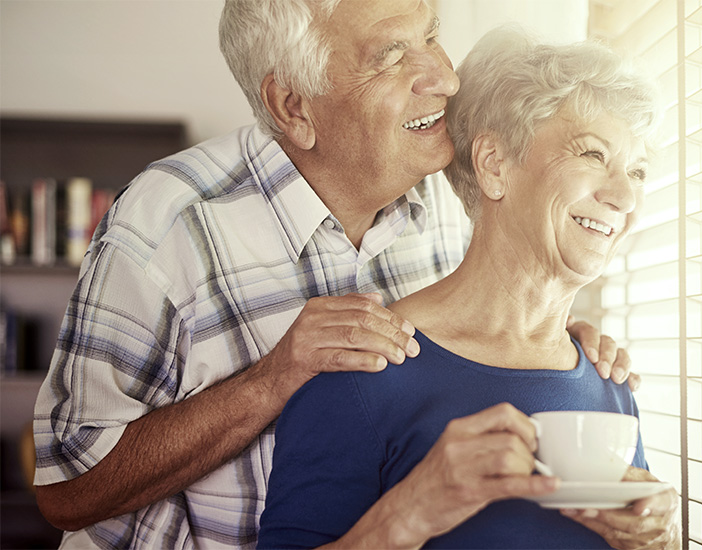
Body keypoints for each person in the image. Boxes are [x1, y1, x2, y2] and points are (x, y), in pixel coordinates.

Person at [31, 0, 635, 548]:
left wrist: (546, 342)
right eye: (392, 55)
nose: (445, 78)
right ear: (292, 105)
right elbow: (66, 490)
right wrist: (272, 379)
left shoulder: (443, 207)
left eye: (430, 36)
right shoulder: (166, 226)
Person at [257, 25, 680, 550]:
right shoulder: (363, 372)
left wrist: (654, 536)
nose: (622, 195)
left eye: (637, 171)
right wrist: (408, 514)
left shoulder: (607, 381)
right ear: (494, 165)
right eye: (592, 155)